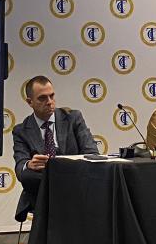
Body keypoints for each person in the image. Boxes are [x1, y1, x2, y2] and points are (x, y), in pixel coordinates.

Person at [12, 75, 97, 221]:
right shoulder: (21, 130)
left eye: (51, 96)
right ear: (29, 102)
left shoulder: (73, 118)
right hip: (43, 181)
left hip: (73, 176)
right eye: (42, 98)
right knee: (28, 175)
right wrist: (29, 164)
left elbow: (92, 153)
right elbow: (20, 167)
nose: (50, 102)